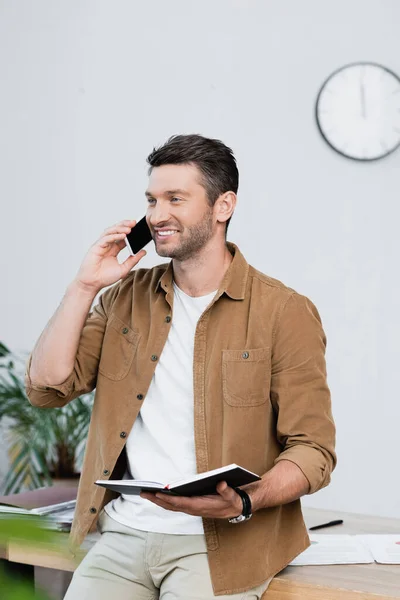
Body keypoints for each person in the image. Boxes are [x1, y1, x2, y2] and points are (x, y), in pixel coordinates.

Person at [26, 134, 336, 599]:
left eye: (176, 198)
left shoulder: (283, 312)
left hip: (221, 547)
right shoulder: (123, 299)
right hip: (124, 537)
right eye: (152, 199)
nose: (156, 215)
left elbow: (314, 450)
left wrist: (245, 499)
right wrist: (84, 285)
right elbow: (46, 387)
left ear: (222, 206)